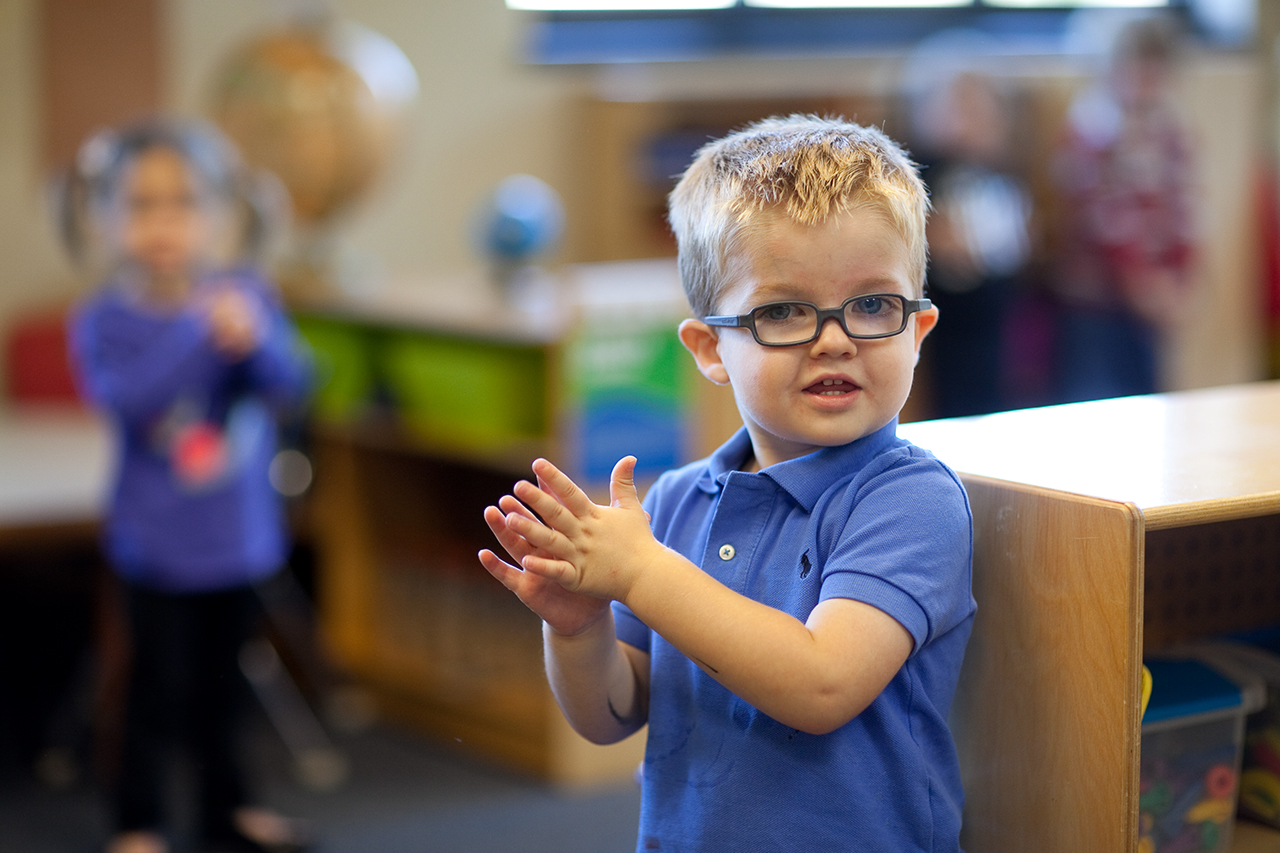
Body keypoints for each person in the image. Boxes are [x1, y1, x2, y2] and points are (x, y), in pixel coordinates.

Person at [480, 115, 975, 852]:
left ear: (918, 329)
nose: (835, 338)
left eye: (873, 305)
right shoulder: (676, 501)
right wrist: (577, 627)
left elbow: (821, 685)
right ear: (711, 348)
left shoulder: (909, 498)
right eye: (783, 311)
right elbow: (611, 713)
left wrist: (644, 572)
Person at [62, 119, 313, 853]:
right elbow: (131, 404)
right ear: (106, 217)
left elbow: (291, 384)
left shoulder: (246, 296)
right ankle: (138, 822)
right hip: (154, 545)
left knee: (225, 694)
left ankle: (227, 811)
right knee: (151, 694)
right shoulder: (106, 317)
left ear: (217, 215)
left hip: (236, 539)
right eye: (140, 204)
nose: (163, 223)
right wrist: (199, 331)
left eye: (182, 203)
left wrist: (256, 338)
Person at [1051, 14, 1197, 402]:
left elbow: (1185, 209)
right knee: (1099, 399)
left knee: (1149, 398)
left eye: (1156, 71)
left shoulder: (1169, 134)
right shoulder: (1092, 129)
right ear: (1110, 69)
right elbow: (1103, 218)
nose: (1146, 82)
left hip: (1154, 299)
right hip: (1097, 300)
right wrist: (1141, 283)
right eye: (1136, 69)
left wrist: (1179, 277)